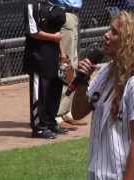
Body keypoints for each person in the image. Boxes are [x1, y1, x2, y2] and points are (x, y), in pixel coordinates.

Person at [72, 11, 134, 180]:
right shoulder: (106, 72)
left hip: (129, 174)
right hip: (101, 169)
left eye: (115, 32)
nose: (106, 35)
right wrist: (82, 82)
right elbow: (78, 113)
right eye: (109, 30)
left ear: (130, 42)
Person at [23, 0, 68, 139]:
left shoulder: (49, 4)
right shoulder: (31, 5)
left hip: (52, 55)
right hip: (37, 56)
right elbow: (33, 31)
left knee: (54, 88)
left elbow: (56, 32)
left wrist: (62, 53)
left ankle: (50, 122)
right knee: (40, 92)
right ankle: (39, 128)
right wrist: (53, 37)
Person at [51, 0, 87, 129]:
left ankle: (67, 112)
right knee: (66, 67)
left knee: (73, 66)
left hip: (74, 16)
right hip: (64, 14)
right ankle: (57, 115)